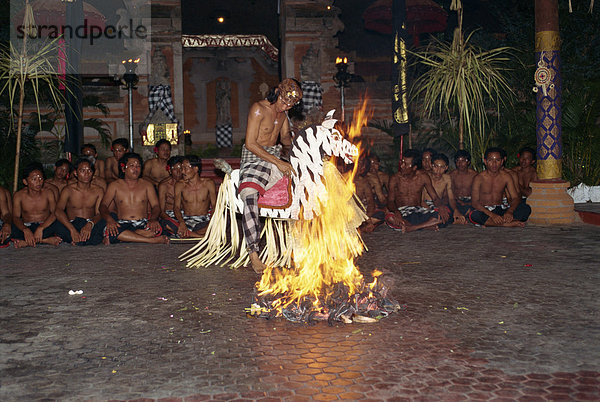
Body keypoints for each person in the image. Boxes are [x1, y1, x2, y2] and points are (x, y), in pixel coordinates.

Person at [239, 78, 302, 273]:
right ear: (276, 93)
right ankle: (254, 254)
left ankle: (298, 248)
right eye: (284, 102)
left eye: (291, 105)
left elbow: (284, 139)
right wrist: (278, 162)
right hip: (254, 159)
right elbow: (250, 143)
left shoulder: (283, 114)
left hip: (274, 160)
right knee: (250, 193)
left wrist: (296, 140)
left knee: (302, 186)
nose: (286, 107)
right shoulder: (258, 109)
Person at [100, 152, 169, 244]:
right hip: (123, 223)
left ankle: (129, 236)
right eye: (132, 166)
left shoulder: (147, 185)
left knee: (156, 230)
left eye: (138, 166)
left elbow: (156, 206)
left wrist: (153, 219)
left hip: (142, 223)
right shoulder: (114, 186)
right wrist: (109, 220)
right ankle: (149, 240)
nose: (135, 169)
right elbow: (103, 206)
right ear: (123, 168)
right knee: (111, 231)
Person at [385, 149, 450, 233]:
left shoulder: (423, 177)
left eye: (406, 164)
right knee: (390, 218)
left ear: (414, 167)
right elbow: (390, 201)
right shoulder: (395, 179)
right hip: (403, 212)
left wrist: (441, 207)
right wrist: (396, 212)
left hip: (419, 211)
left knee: (445, 213)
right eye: (402, 162)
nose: (402, 166)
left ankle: (412, 227)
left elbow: (434, 197)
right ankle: (426, 226)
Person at [469, 147, 531, 227]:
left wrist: (510, 211)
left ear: (502, 161)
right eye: (490, 160)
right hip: (485, 210)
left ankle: (495, 222)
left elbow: (515, 197)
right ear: (485, 161)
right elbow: (474, 202)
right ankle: (505, 224)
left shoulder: (506, 176)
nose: (494, 164)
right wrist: (492, 215)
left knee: (525, 209)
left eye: (497, 160)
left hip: (500, 209)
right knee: (474, 215)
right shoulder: (479, 178)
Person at [54, 158, 106, 245]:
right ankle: (79, 238)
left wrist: (90, 224)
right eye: (82, 171)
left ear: (93, 173)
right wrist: (72, 229)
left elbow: (99, 213)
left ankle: (77, 240)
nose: (86, 174)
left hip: (90, 223)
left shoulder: (98, 190)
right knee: (57, 224)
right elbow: (58, 210)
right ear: (75, 173)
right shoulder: (68, 190)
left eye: (89, 170)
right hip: (72, 223)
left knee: (105, 222)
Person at [11, 162, 62, 248]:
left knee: (60, 224)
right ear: (25, 182)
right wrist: (25, 229)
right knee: (11, 227)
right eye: (34, 179)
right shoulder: (19, 195)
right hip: (27, 226)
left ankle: (27, 242)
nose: (38, 182)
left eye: (40, 179)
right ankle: (45, 240)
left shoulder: (48, 193)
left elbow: (55, 213)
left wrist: (41, 228)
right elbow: (15, 217)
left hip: (45, 226)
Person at [173, 155, 216, 238]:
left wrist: (212, 221)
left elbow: (215, 205)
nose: (182, 172)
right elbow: (176, 207)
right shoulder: (179, 185)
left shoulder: (208, 183)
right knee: (165, 223)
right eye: (182, 168)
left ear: (196, 169)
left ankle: (190, 234)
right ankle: (201, 235)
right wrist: (182, 223)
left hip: (204, 220)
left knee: (225, 220)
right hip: (186, 220)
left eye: (186, 168)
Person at [422, 153, 464, 224]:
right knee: (437, 216)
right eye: (436, 166)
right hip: (426, 206)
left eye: (442, 167)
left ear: (446, 168)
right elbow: (421, 201)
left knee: (452, 213)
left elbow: (451, 199)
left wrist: (456, 210)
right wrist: (433, 210)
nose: (438, 170)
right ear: (431, 166)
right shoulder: (425, 177)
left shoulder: (447, 178)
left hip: (439, 205)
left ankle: (434, 222)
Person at [354, 157, 385, 233]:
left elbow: (371, 202)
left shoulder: (364, 182)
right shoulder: (342, 178)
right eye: (360, 164)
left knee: (380, 215)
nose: (363, 167)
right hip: (346, 214)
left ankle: (360, 227)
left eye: (364, 165)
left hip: (361, 214)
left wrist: (367, 218)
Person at [158, 156, 184, 236]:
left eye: (180, 168)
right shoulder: (164, 186)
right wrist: (175, 222)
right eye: (175, 169)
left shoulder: (188, 183)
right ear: (169, 170)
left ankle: (186, 232)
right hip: (170, 216)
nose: (178, 171)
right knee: (168, 225)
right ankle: (192, 234)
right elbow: (161, 211)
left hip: (186, 216)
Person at [449, 150, 478, 218]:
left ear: (468, 162)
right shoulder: (452, 175)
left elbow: (478, 193)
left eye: (463, 161)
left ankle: (465, 215)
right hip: (456, 201)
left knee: (477, 208)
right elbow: (450, 192)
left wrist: (468, 203)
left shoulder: (474, 175)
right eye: (458, 161)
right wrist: (459, 201)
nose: (460, 163)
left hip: (471, 201)